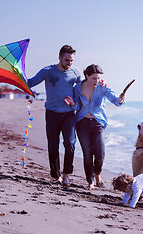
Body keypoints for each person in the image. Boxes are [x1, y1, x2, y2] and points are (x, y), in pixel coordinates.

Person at [27, 45, 81, 186]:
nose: (69, 63)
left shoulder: (76, 73)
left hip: (69, 114)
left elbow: (83, 91)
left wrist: (74, 103)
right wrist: (18, 76)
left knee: (70, 143)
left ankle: (66, 175)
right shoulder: (48, 71)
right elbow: (30, 83)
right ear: (59, 57)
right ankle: (56, 176)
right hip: (52, 113)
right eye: (67, 60)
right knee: (53, 145)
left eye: (71, 60)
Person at [67, 64, 125, 189]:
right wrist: (73, 103)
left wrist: (120, 99)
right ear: (87, 76)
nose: (97, 81)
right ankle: (90, 181)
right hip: (82, 123)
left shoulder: (102, 87)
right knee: (87, 153)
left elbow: (116, 101)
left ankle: (98, 174)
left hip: (98, 123)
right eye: (94, 78)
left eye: (98, 78)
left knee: (100, 153)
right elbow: (77, 106)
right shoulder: (77, 88)